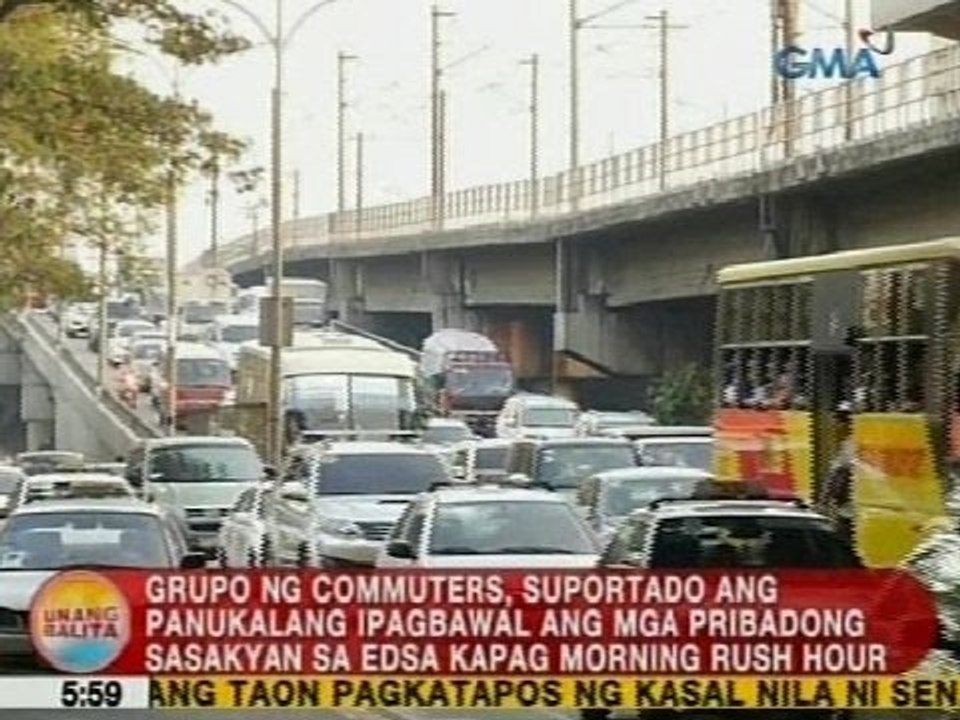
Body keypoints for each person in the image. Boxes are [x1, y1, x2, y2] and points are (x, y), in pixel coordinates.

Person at [820, 402, 856, 545]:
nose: (840, 424)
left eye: (844, 420)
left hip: (852, 510)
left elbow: (836, 473)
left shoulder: (851, 444)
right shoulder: (849, 443)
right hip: (848, 509)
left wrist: (824, 500)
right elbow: (836, 473)